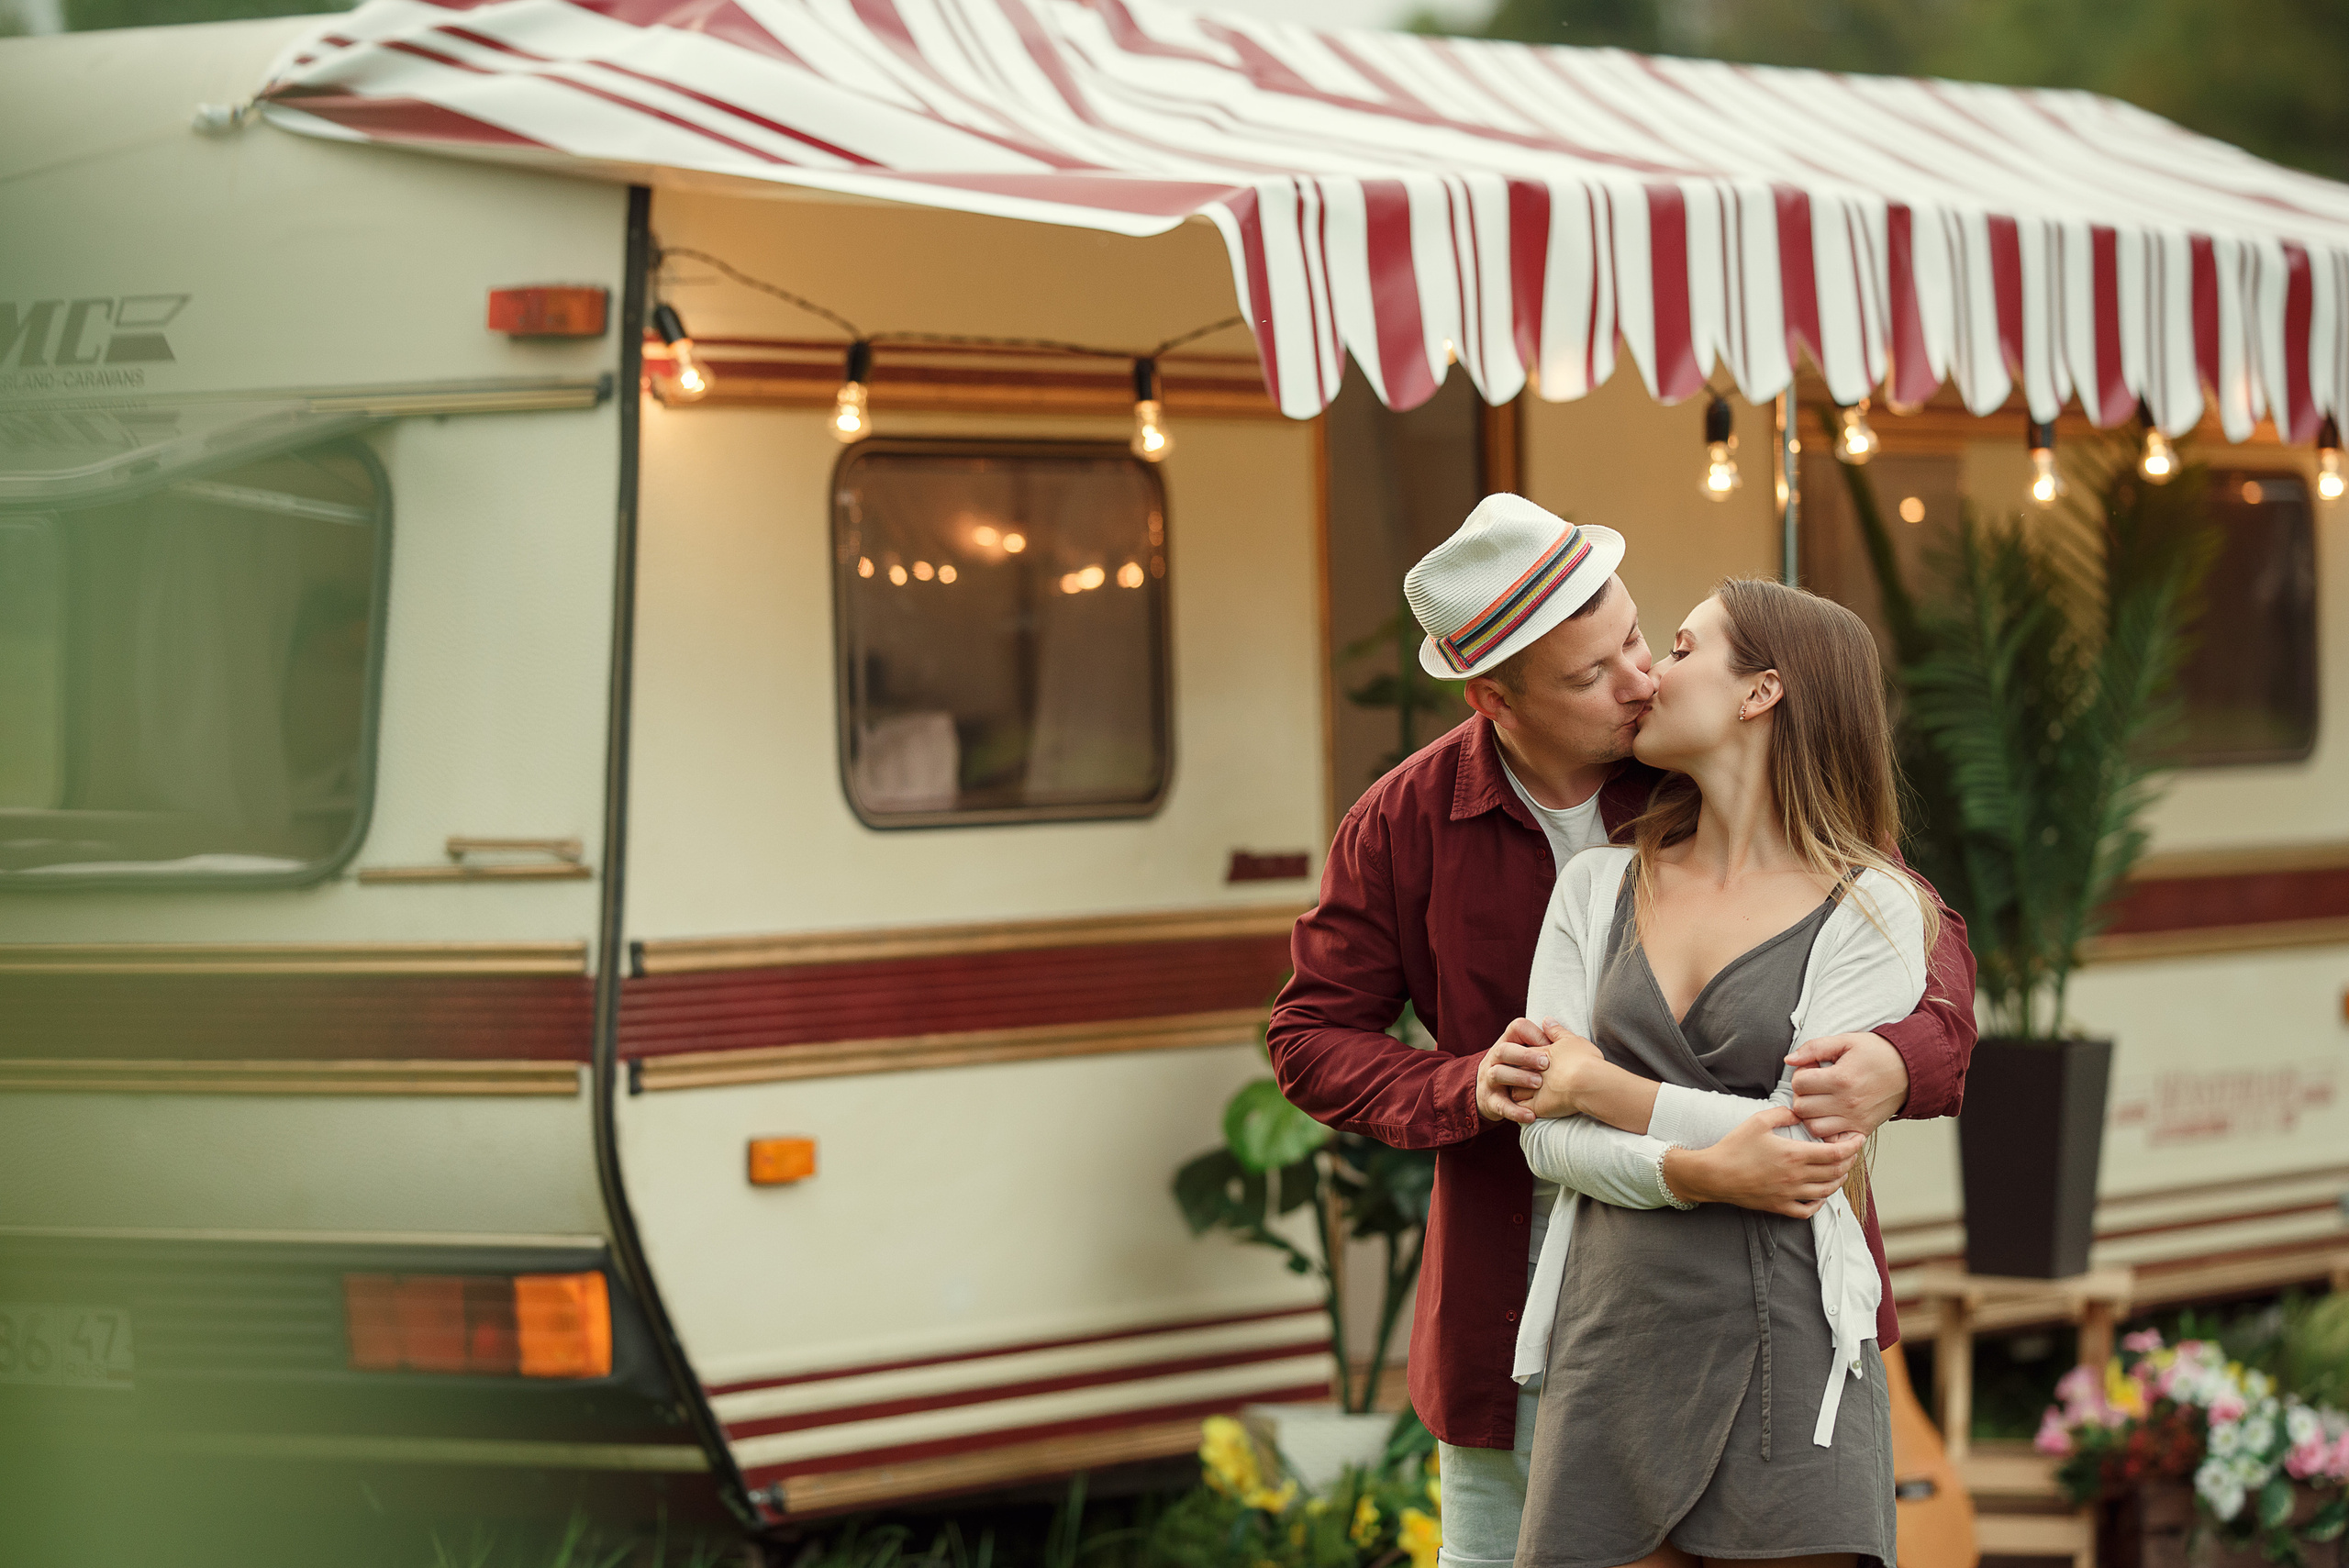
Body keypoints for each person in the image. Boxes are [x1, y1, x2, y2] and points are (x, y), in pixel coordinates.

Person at [1265, 494, 1977, 1568]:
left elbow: (1916, 927)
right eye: (1591, 674)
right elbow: (1310, 1032)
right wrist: (1469, 1084)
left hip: (1773, 1292)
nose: (1639, 680)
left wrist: (1894, 1060)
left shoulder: (1708, 754)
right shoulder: (1404, 820)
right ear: (1493, 698)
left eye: (1639, 639)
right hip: (1519, 1297)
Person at [1508, 578, 1935, 1568]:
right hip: (1611, 1336)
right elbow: (1543, 1136)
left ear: (1760, 691)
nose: (1649, 672)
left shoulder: (1873, 907)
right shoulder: (1593, 886)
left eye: (1682, 646)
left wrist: (1599, 1085)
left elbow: (1799, 1148)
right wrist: (1695, 1170)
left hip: (1787, 1342)